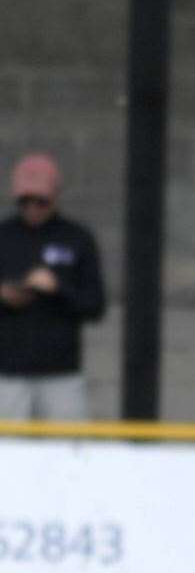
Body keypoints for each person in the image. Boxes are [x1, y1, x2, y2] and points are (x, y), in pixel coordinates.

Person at [0, 153, 106, 421]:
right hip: (7, 373)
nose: (33, 208)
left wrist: (58, 288)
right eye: (25, 200)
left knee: (70, 451)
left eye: (41, 201)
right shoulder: (3, 235)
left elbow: (95, 306)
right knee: (8, 452)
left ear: (55, 196)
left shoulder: (77, 238)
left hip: (61, 375)